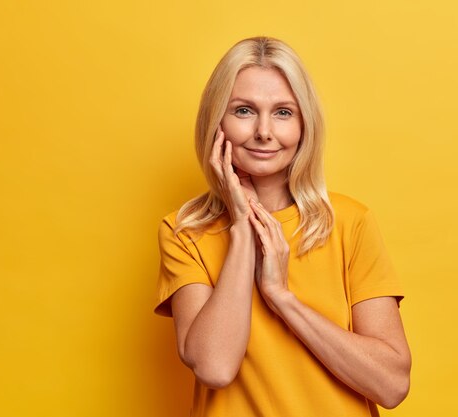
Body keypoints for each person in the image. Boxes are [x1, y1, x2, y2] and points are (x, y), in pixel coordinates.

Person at [155, 36, 411, 417]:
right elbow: (215, 366)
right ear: (216, 121)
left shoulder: (349, 222)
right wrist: (242, 227)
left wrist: (281, 296)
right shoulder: (185, 231)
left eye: (283, 112)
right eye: (243, 110)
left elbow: (391, 386)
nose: (263, 131)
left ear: (305, 124)